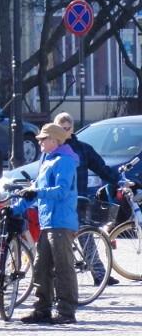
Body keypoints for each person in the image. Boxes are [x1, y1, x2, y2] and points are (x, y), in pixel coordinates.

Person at [12, 123, 80, 325]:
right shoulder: (48, 160)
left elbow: (62, 191)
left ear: (54, 140)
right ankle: (42, 310)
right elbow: (34, 191)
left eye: (43, 139)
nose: (39, 142)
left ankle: (67, 312)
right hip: (49, 221)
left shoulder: (64, 161)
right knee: (42, 267)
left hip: (61, 221)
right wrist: (14, 208)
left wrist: (38, 193)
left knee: (63, 267)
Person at [54, 112, 120, 286]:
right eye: (60, 129)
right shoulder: (51, 148)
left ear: (72, 129)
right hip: (58, 200)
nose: (64, 132)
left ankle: (99, 274)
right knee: (62, 238)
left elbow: (101, 168)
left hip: (78, 199)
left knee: (85, 236)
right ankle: (59, 277)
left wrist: (118, 181)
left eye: (66, 129)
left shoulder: (82, 148)